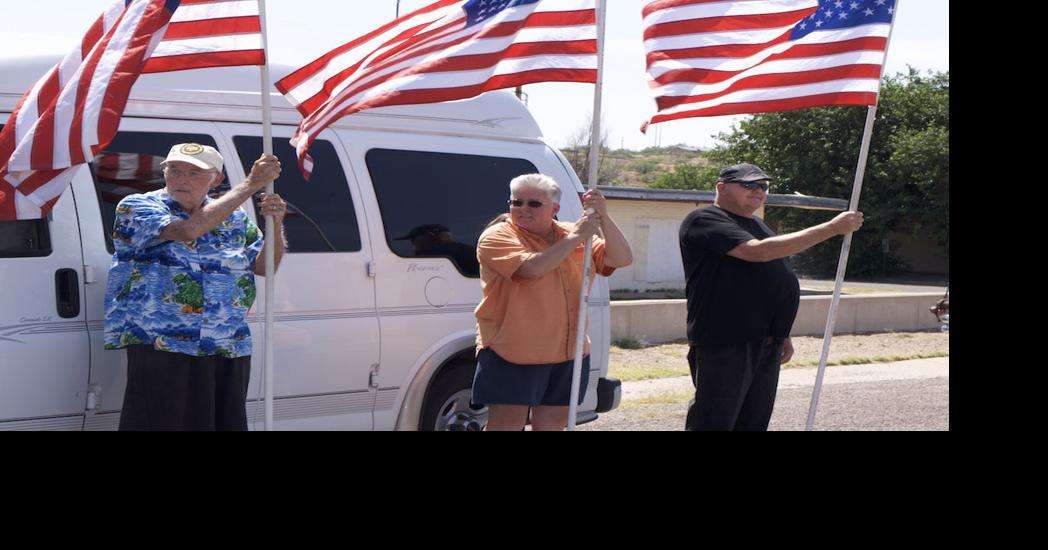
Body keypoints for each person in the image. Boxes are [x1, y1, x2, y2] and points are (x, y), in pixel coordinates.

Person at [103, 143, 286, 431]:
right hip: (163, 343)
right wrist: (251, 185)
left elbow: (265, 267)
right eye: (174, 171)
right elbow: (186, 230)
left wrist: (275, 223)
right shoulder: (138, 206)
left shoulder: (235, 219)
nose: (181, 179)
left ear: (216, 179)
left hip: (225, 342)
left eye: (193, 173)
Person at [679, 163, 864, 431]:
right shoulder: (705, 219)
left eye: (763, 186)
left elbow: (772, 276)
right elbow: (757, 252)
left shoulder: (757, 223)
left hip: (765, 342)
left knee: (753, 422)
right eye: (748, 184)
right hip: (726, 340)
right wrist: (831, 229)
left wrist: (782, 333)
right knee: (714, 421)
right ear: (722, 187)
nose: (758, 190)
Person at [473, 174, 633, 431]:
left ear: (554, 209)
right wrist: (576, 238)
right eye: (516, 203)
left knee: (555, 422)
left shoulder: (574, 232)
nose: (522, 209)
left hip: (569, 351)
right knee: (507, 423)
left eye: (533, 204)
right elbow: (532, 269)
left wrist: (603, 217)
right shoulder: (496, 236)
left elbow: (622, 258)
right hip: (514, 350)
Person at [395, 223, 480, 276]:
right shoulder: (471, 251)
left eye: (413, 239)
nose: (413, 244)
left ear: (430, 236)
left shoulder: (428, 254)